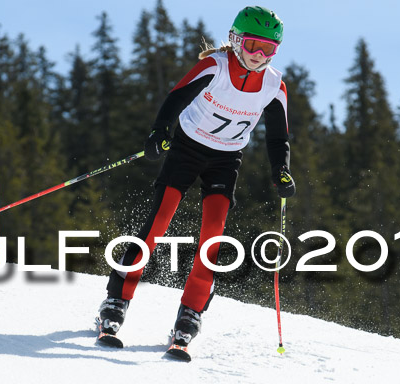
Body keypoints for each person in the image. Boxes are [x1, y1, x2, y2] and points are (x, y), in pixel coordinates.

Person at [97, 6, 295, 352]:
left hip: (226, 160)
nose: (259, 56)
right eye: (252, 46)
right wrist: (160, 131)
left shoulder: (274, 86)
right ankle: (116, 302)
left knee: (212, 237)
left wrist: (281, 170)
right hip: (187, 149)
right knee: (159, 221)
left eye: (268, 49)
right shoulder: (215, 66)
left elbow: (279, 138)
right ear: (235, 41)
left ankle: (190, 314)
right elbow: (176, 97)